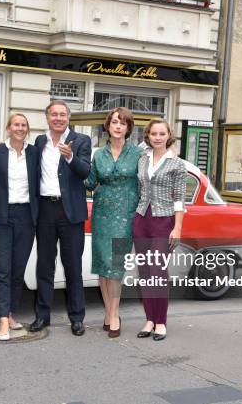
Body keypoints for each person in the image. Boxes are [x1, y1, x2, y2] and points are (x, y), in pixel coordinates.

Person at [29, 100, 91, 336]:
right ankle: (42, 316)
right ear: (47, 117)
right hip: (45, 209)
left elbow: (86, 171)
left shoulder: (81, 141)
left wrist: (70, 157)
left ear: (68, 117)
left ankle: (77, 318)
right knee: (44, 266)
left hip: (70, 212)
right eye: (54, 114)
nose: (58, 118)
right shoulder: (40, 141)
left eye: (62, 115)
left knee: (73, 266)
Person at [84, 107, 141, 338]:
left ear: (128, 128)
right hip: (102, 214)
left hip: (126, 216)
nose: (118, 126)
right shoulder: (99, 155)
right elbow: (89, 182)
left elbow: (148, 180)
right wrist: (69, 162)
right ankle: (110, 313)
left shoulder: (138, 154)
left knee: (116, 267)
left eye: (123, 123)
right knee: (103, 267)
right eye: (115, 122)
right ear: (108, 125)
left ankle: (114, 314)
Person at [133, 119, 186, 341]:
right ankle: (149, 319)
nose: (157, 137)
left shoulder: (177, 164)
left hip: (163, 221)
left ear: (168, 135)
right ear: (147, 135)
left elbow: (181, 199)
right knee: (145, 273)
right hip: (141, 218)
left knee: (158, 273)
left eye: (162, 133)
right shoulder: (142, 158)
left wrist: (178, 228)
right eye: (153, 133)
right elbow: (139, 188)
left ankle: (161, 321)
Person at [0, 113, 39, 341]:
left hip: (27, 216)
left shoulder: (34, 153)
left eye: (23, 125)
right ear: (8, 128)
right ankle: (1, 320)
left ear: (27, 129)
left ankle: (10, 313)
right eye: (16, 124)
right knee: (2, 268)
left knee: (18, 268)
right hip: (3, 215)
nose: (20, 128)